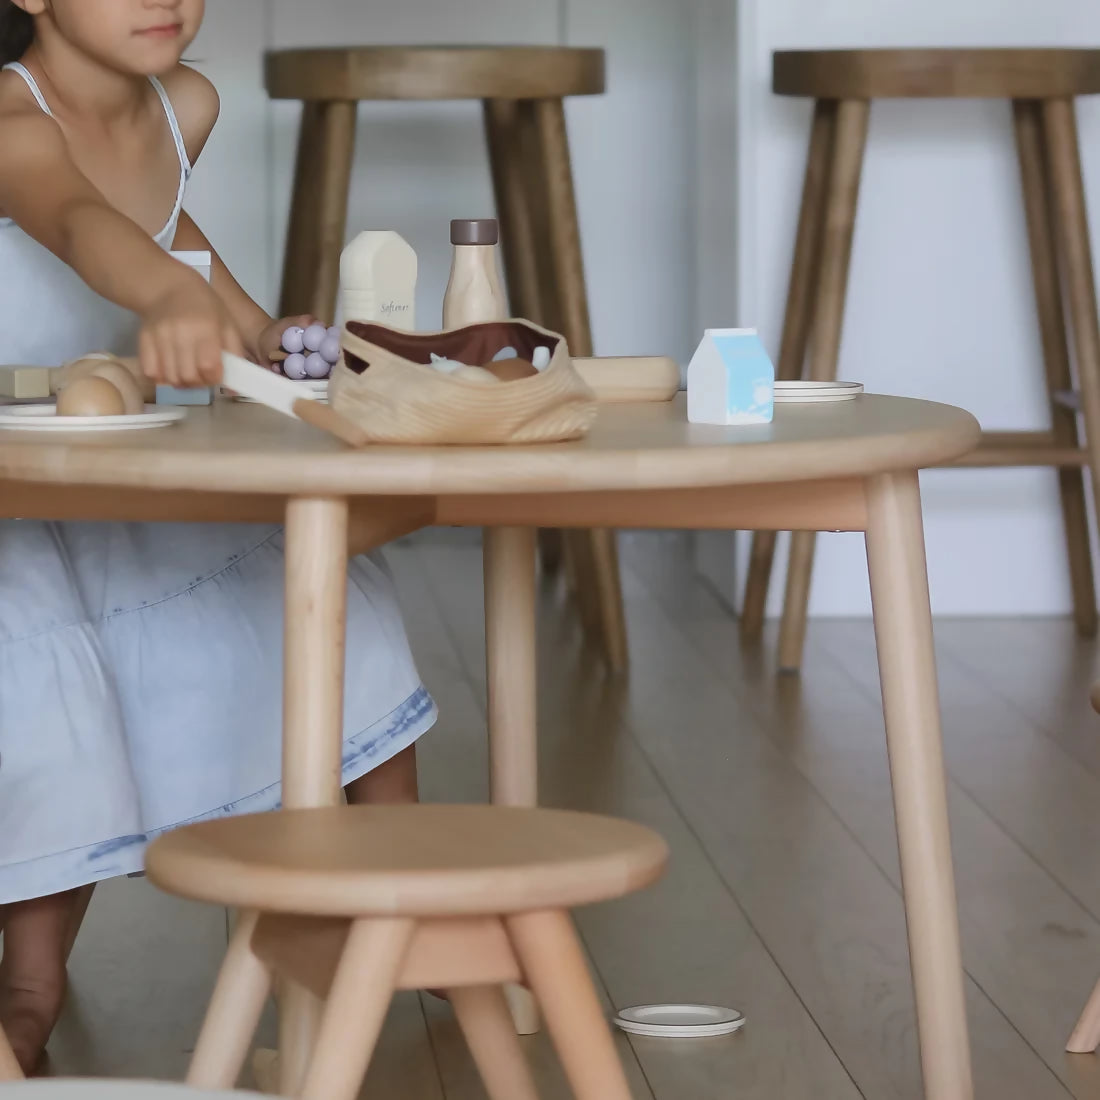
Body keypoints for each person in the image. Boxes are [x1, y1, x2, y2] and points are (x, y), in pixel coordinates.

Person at [0, 0, 437, 1073]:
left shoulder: (181, 104)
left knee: (323, 591)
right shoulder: (11, 120)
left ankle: (401, 889)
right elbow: (77, 220)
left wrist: (254, 329)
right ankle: (29, 979)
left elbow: (171, 231)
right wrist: (158, 295)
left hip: (121, 459)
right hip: (19, 478)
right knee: (53, 699)